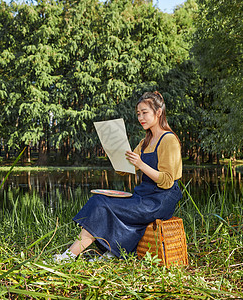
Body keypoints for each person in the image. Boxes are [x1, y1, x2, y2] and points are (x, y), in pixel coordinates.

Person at [54, 91, 182, 262]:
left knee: (100, 204)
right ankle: (111, 252)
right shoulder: (145, 142)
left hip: (160, 201)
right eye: (138, 113)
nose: (140, 117)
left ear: (158, 113)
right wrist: (113, 150)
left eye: (145, 112)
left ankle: (69, 256)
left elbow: (167, 181)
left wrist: (140, 164)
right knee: (99, 200)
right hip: (143, 196)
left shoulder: (169, 140)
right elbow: (124, 170)